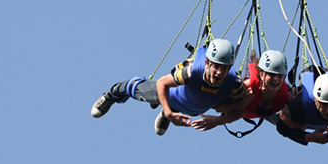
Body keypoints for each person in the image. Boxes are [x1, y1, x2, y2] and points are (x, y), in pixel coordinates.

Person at [91, 38, 247, 136]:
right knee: (132, 88)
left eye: (224, 68)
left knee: (201, 99)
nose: (219, 73)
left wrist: (218, 121)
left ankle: (169, 114)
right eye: (216, 67)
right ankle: (110, 96)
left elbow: (241, 109)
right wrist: (168, 111)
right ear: (207, 63)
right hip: (170, 95)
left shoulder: (234, 84)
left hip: (195, 107)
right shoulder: (192, 71)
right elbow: (162, 83)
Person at [191, 49, 290, 131]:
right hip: (241, 109)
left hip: (271, 114)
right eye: (271, 74)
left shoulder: (285, 96)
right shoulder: (247, 88)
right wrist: (218, 120)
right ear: (261, 75)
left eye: (280, 76)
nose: (276, 79)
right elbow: (221, 108)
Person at [275, 68, 328, 146]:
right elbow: (282, 129)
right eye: (324, 104)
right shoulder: (298, 106)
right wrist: (311, 137)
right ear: (315, 100)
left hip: (305, 118)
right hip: (295, 113)